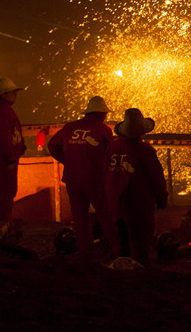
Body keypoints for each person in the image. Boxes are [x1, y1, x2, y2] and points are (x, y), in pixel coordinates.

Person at [48, 95, 119, 259]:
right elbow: (111, 154)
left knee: (80, 219)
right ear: (100, 113)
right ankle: (115, 250)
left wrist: (67, 160)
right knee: (105, 214)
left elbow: (52, 145)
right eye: (105, 113)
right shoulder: (103, 130)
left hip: (73, 180)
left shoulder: (70, 128)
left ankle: (86, 254)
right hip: (95, 180)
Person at [106, 108, 168, 266]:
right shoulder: (145, 150)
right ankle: (139, 271)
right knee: (140, 243)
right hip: (138, 203)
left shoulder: (113, 147)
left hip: (115, 202)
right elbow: (156, 177)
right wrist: (161, 198)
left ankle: (119, 270)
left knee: (120, 241)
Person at [0, 77, 27, 234]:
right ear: (4, 95)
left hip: (3, 158)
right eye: (13, 92)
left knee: (4, 190)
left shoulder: (1, 110)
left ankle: (4, 222)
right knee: (6, 191)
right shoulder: (3, 111)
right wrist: (10, 158)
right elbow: (4, 138)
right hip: (5, 160)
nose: (15, 95)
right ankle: (4, 223)